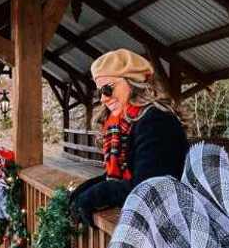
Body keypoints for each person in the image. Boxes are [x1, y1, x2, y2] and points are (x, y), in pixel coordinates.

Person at [69, 49, 188, 228]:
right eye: (100, 92)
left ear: (133, 83)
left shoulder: (157, 122)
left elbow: (148, 187)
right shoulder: (127, 123)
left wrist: (96, 195)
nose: (103, 99)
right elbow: (124, 175)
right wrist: (83, 192)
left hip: (169, 229)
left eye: (108, 88)